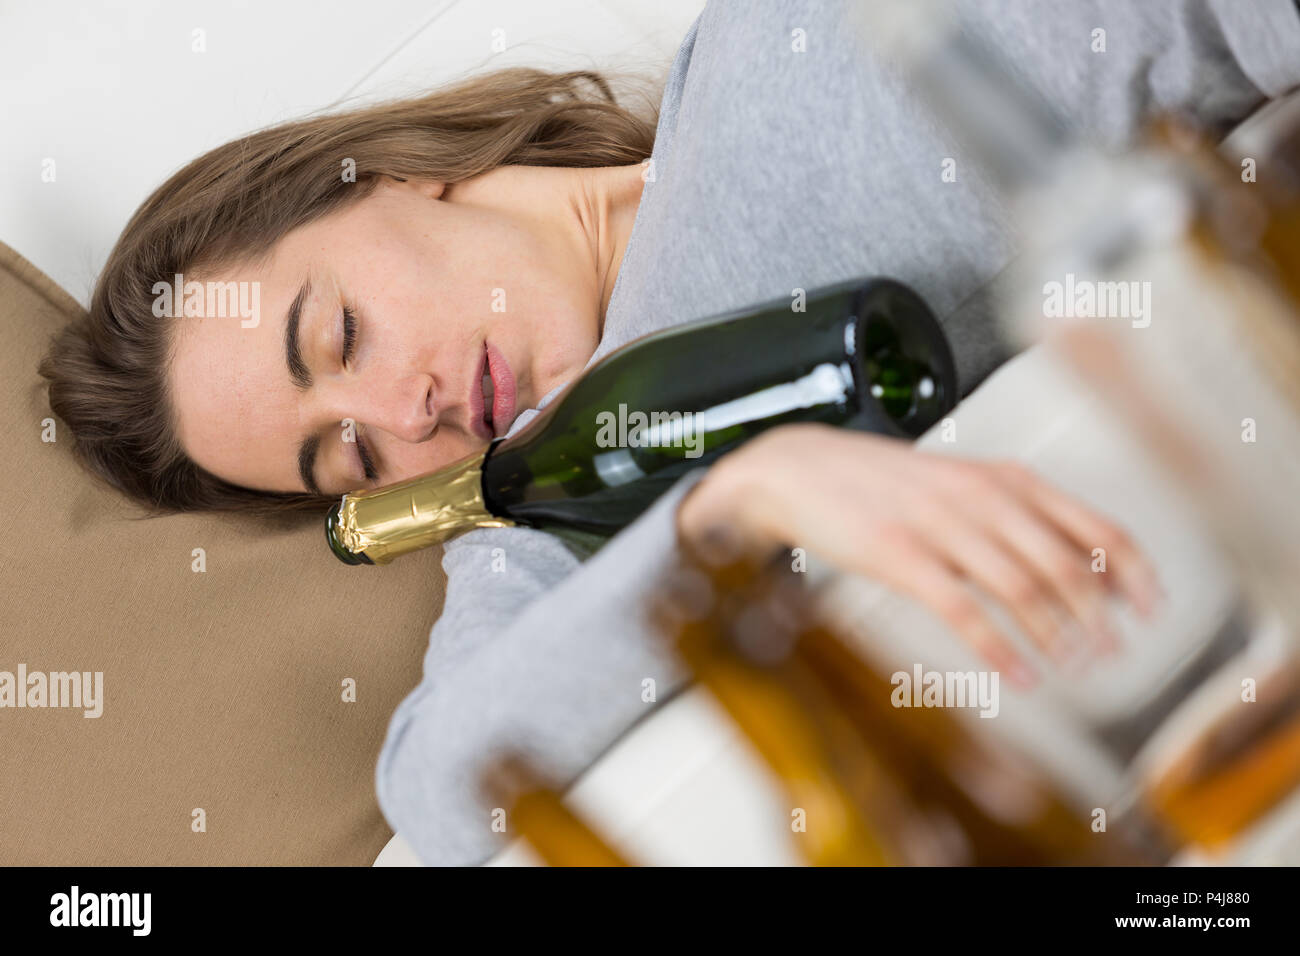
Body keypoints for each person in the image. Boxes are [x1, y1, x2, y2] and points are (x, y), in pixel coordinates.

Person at [39, 0, 1300, 864]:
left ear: (376, 176)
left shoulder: (770, 54)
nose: (400, 412)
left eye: (342, 336)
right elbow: (441, 783)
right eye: (351, 460)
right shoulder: (550, 502)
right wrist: (732, 506)